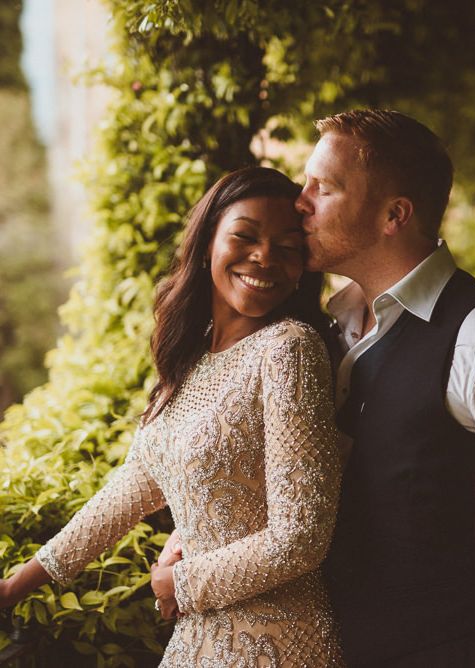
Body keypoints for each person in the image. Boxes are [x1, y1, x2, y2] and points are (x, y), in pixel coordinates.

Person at [160, 110, 475, 666]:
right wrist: (192, 547)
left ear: (394, 215)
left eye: (322, 188)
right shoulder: (318, 332)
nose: (299, 202)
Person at [0, 167, 345, 667]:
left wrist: (178, 583)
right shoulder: (184, 366)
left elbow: (302, 537)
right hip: (196, 639)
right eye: (245, 236)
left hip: (278, 641)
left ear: (302, 269)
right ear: (208, 244)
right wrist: (17, 584)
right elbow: (127, 491)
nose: (264, 257)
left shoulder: (288, 349)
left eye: (288, 248)